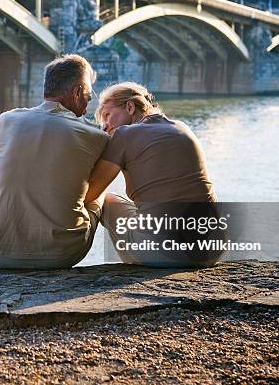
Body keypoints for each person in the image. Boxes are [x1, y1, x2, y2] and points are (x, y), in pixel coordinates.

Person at [0, 54, 108, 269]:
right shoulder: (95, 135)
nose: (88, 106)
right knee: (102, 189)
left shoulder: (8, 120)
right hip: (64, 254)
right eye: (88, 96)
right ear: (77, 91)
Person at [85, 82, 224, 267]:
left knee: (106, 200)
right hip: (212, 249)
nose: (105, 126)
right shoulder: (182, 127)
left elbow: (90, 193)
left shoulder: (123, 135)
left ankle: (137, 265)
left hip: (167, 253)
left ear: (130, 106)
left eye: (107, 115)